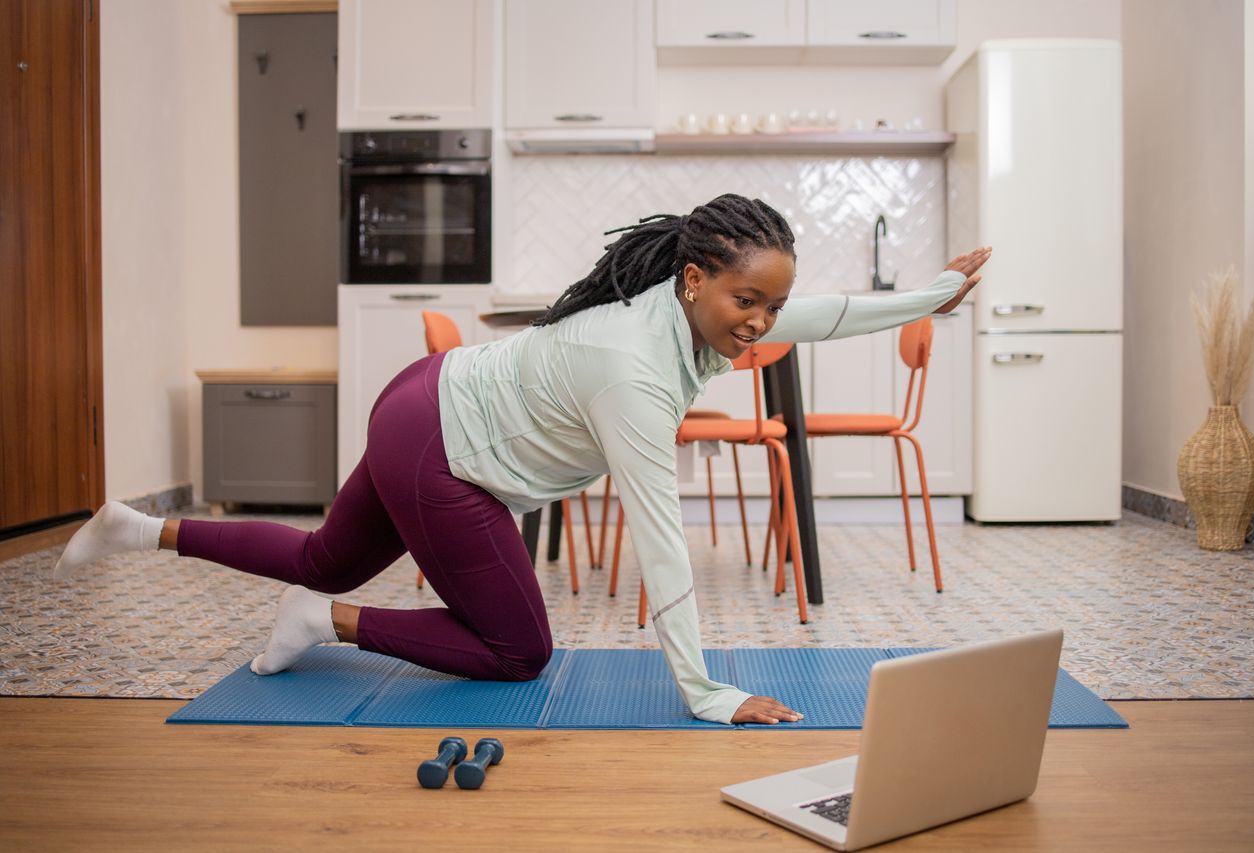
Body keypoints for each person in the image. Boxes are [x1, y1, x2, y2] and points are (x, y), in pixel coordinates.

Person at [55, 194, 989, 725]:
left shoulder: (681, 312)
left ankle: (143, 526)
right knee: (519, 650)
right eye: (748, 300)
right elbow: (662, 540)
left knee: (320, 552)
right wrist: (708, 694)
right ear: (694, 277)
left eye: (769, 308)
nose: (760, 323)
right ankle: (327, 621)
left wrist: (934, 294)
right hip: (442, 447)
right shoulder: (633, 368)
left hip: (421, 397)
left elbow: (819, 313)